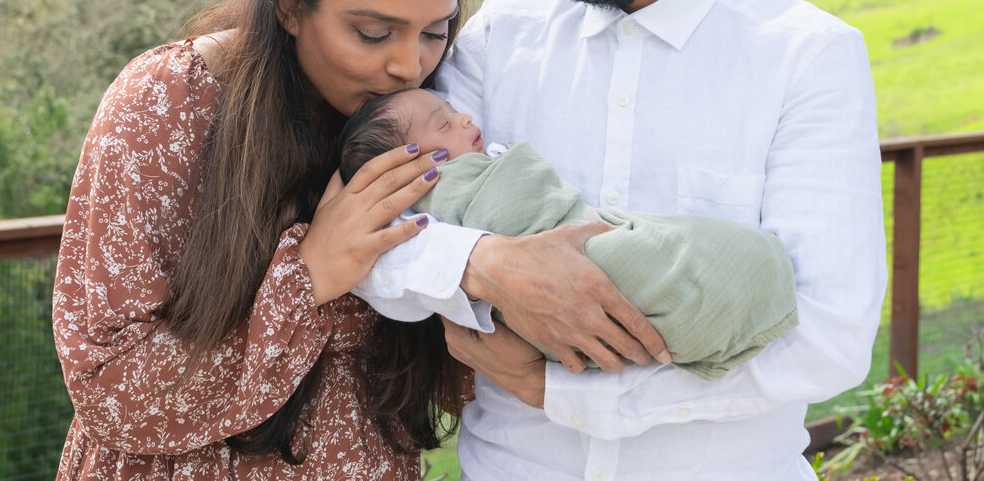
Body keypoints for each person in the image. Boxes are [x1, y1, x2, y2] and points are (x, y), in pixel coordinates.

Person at [424, 0, 888, 480]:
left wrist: (573, 395)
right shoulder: (497, 40)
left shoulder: (808, 56)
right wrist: (486, 264)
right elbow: (386, 238)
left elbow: (829, 336)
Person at [52, 0, 496, 479]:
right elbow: (108, 388)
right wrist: (311, 274)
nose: (409, 65)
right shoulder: (168, 102)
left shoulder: (425, 116)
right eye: (373, 32)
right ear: (290, 4)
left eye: (435, 30)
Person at [339, 87, 799, 380]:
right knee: (648, 264)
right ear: (403, 169)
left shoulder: (808, 51)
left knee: (661, 246)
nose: (464, 119)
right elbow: (367, 256)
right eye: (444, 123)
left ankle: (734, 284)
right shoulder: (432, 197)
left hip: (589, 244)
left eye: (456, 112)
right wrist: (485, 258)